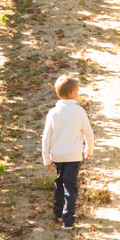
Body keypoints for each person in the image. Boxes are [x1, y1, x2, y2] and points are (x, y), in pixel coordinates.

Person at [41, 73, 95, 229]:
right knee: (70, 186)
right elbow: (88, 133)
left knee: (59, 183)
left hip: (57, 155)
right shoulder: (78, 112)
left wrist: (47, 158)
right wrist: (88, 149)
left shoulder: (53, 112)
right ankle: (68, 219)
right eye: (77, 91)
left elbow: (46, 137)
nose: (78, 94)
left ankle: (57, 212)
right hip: (73, 156)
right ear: (71, 93)